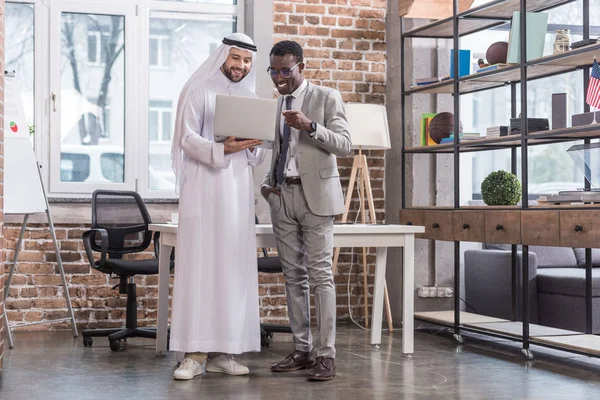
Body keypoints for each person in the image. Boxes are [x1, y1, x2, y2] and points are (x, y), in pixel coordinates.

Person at [170, 33, 266, 380]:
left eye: (246, 61)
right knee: (200, 267)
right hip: (201, 190)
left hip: (237, 195)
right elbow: (186, 138)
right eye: (236, 58)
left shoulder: (251, 98)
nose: (240, 66)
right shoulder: (198, 90)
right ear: (224, 56)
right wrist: (223, 148)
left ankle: (224, 350)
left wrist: (252, 145)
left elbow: (258, 153)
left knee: (231, 268)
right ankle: (193, 353)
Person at [260, 40, 352, 382]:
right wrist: (269, 189)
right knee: (293, 277)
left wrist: (310, 125)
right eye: (274, 71)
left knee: (320, 276)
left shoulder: (326, 97)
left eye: (286, 70)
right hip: (283, 197)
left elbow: (345, 145)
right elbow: (277, 149)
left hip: (317, 198)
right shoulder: (275, 104)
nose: (280, 77)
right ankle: (302, 349)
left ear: (301, 66)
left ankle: (325, 355)